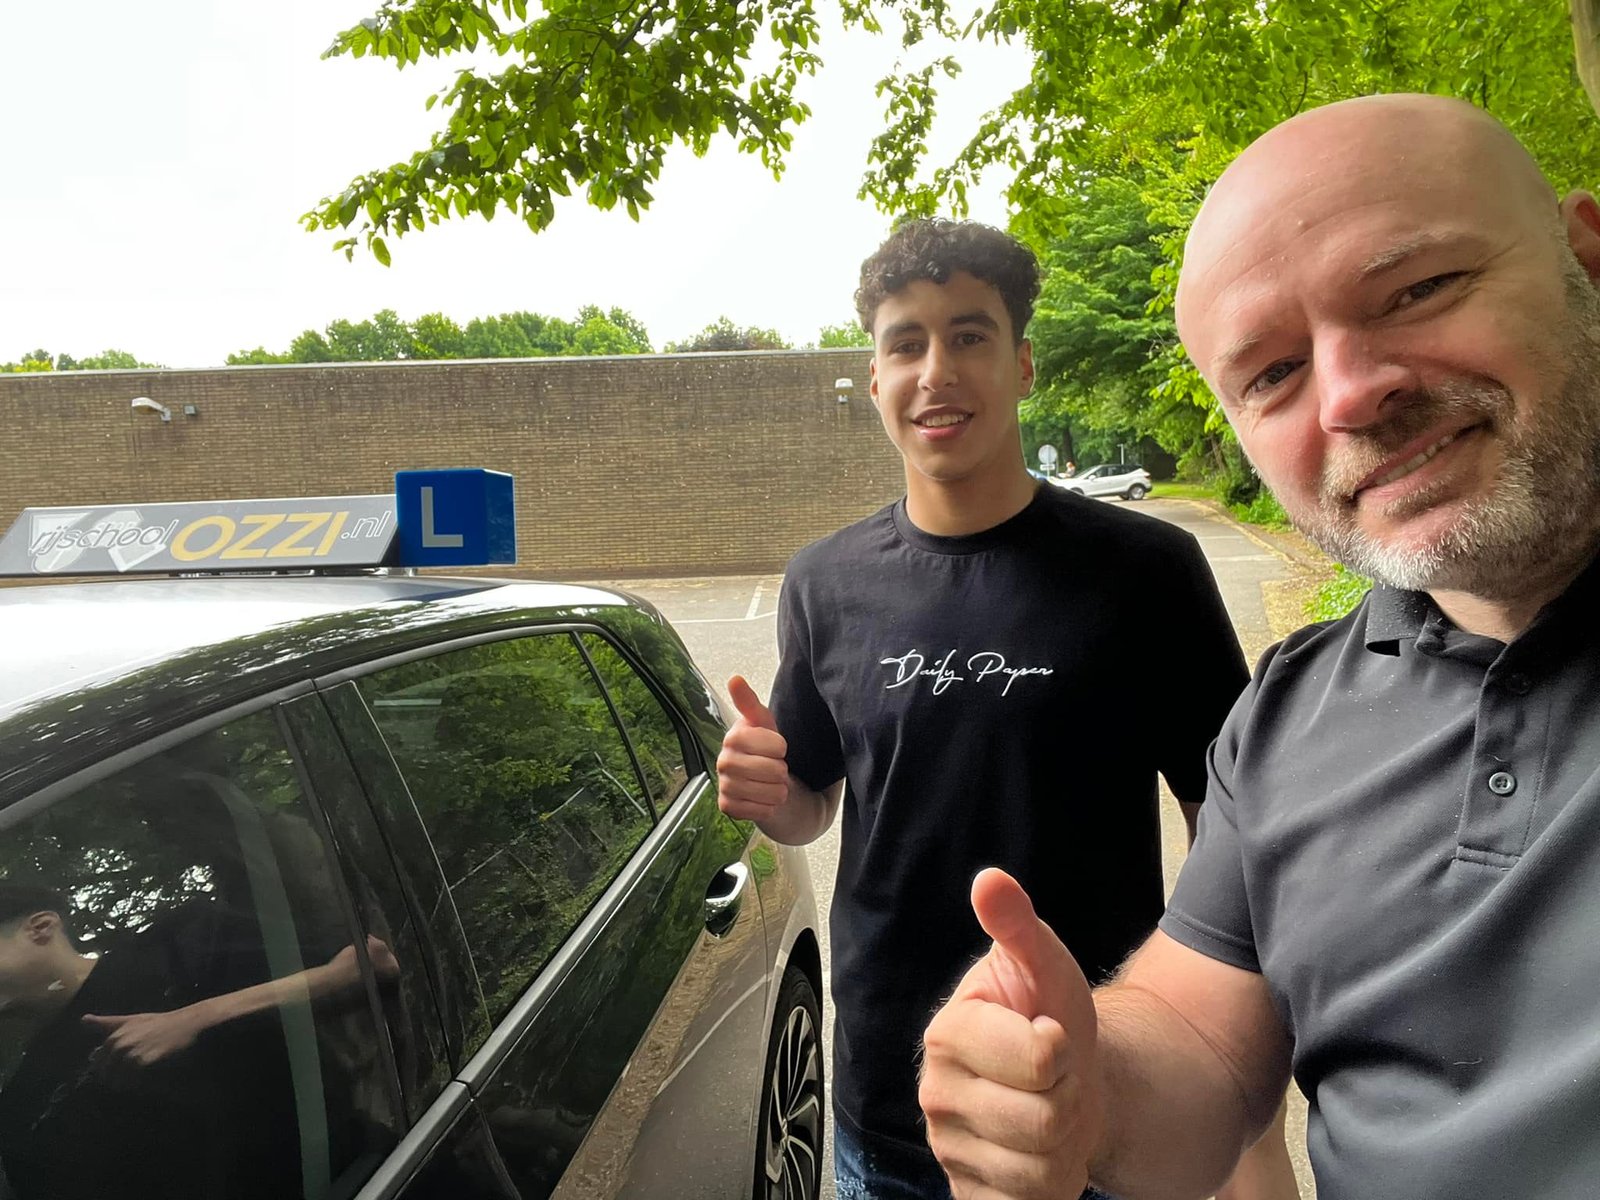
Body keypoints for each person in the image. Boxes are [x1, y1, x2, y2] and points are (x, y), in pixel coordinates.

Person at [918, 92, 1600, 1199]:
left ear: (1587, 260)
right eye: (1274, 374)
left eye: (1417, 289)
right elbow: (1202, 1047)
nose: (1352, 396)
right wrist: (1082, 1082)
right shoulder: (1288, 713)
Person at [716, 218, 1298, 1199]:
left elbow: (1230, 841)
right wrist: (771, 795)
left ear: (1022, 365)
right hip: (884, 1115)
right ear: (874, 380)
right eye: (906, 343)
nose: (936, 370)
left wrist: (1245, 1121)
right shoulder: (823, 582)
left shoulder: (1146, 571)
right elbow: (813, 804)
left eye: (969, 335)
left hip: (1093, 1104)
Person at [0, 882, 394, 1199]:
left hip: (377, 1176)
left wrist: (196, 1017)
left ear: (40, 928)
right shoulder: (20, 1105)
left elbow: (371, 964)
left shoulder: (175, 945)